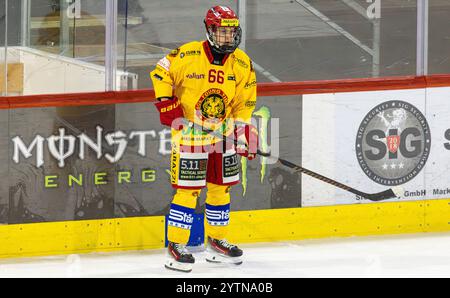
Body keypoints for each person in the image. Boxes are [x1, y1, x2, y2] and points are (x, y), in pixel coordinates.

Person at [150, 5, 258, 273]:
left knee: (221, 188)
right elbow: (160, 73)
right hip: (189, 135)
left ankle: (217, 242)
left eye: (231, 33)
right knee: (188, 191)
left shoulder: (242, 63)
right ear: (209, 31)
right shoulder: (187, 54)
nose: (227, 38)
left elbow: (245, 103)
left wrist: (244, 131)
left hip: (223, 135)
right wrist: (166, 103)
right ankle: (176, 245)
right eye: (222, 32)